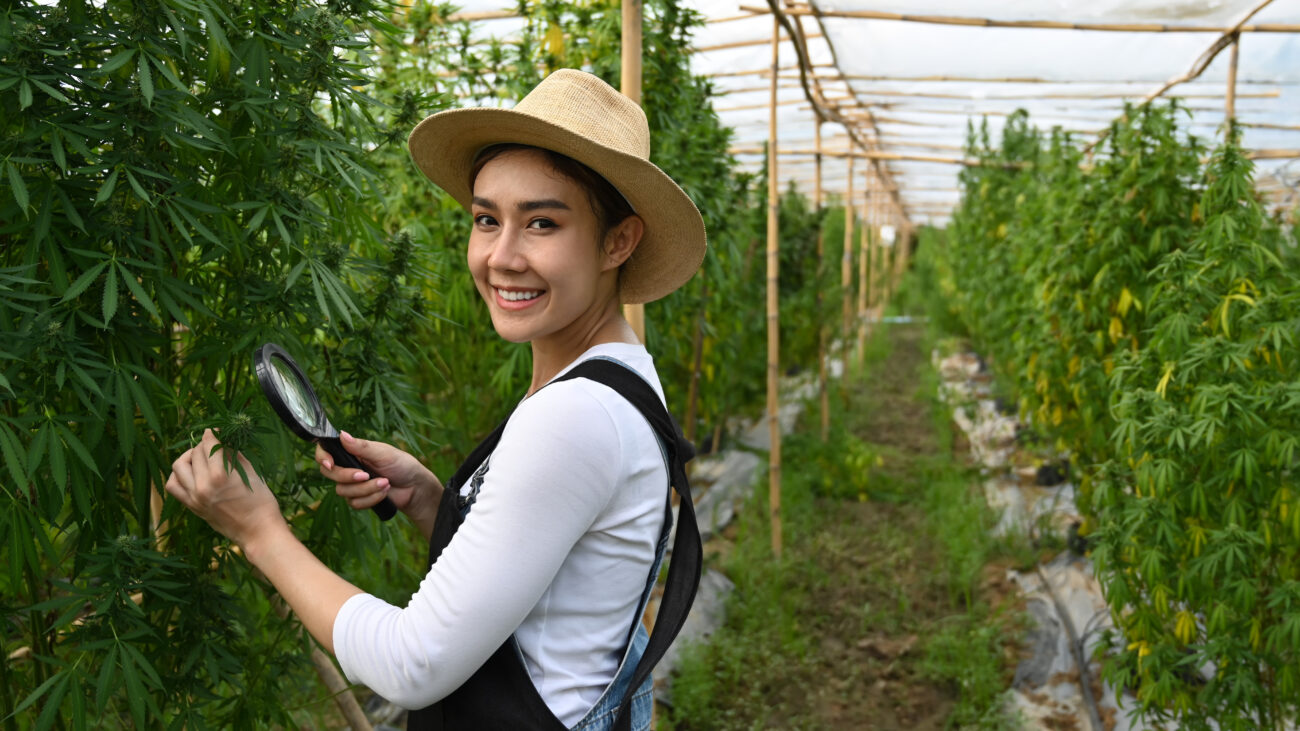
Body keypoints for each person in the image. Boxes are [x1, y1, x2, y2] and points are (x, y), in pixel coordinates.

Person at [164, 69, 705, 730]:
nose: (501, 256)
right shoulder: (616, 376)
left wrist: (259, 530)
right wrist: (429, 499)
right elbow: (557, 609)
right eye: (486, 218)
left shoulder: (574, 417)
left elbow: (411, 664)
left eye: (542, 222)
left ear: (619, 240)